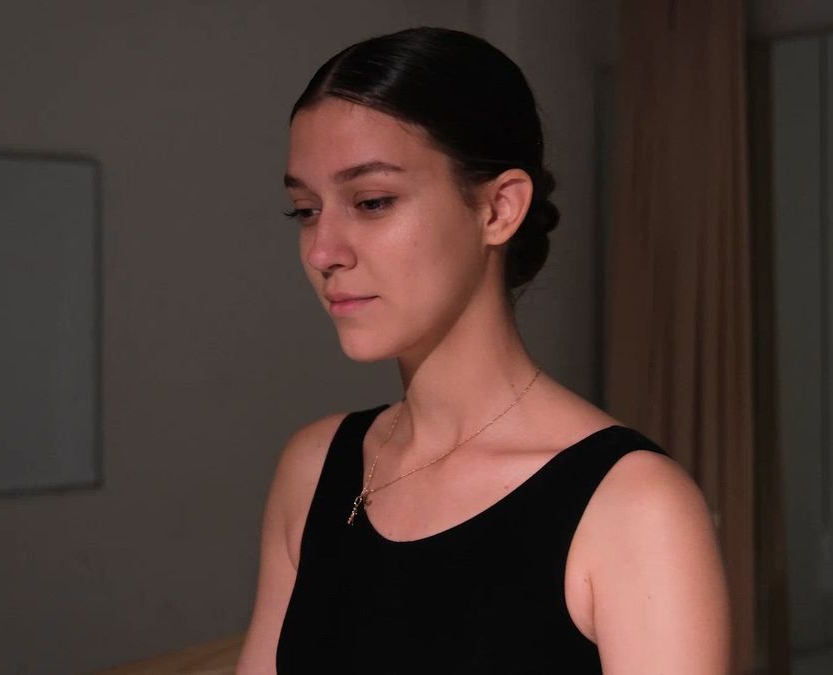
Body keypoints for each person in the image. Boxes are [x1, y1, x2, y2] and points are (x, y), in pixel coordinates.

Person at [236, 26, 730, 674]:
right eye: (305, 210)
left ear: (499, 209)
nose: (324, 251)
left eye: (372, 201)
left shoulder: (635, 509)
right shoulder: (314, 469)